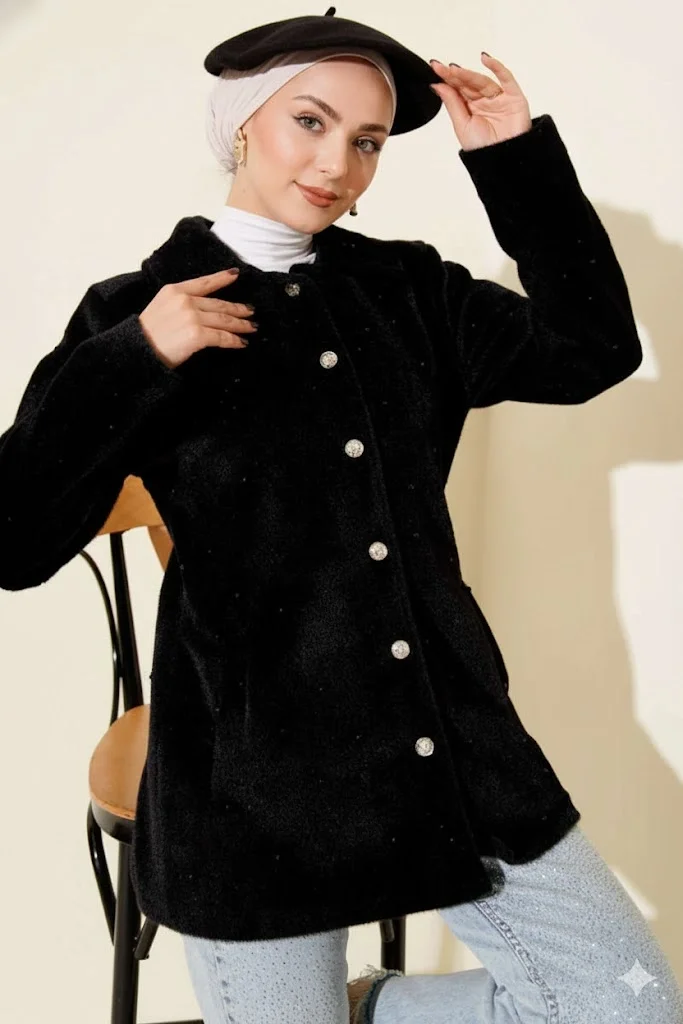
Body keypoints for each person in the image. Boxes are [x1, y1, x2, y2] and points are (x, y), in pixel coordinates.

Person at [0, 8, 680, 1024]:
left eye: (366, 141)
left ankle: (366, 1009)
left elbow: (592, 350)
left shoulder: (405, 290)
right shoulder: (137, 310)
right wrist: (135, 357)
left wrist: (511, 162)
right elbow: (13, 542)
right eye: (309, 123)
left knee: (632, 1005)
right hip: (252, 780)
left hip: (444, 742)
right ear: (241, 125)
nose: (336, 165)